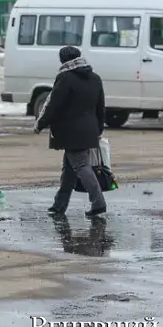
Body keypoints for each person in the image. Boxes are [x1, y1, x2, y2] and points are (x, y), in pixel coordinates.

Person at [34, 45, 108, 218]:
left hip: (71, 132)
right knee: (69, 169)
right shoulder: (95, 78)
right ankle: (59, 205)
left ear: (63, 60)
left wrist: (41, 123)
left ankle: (98, 202)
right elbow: (101, 106)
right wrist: (99, 128)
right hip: (89, 130)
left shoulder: (65, 77)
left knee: (81, 166)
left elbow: (54, 105)